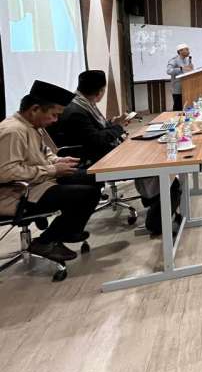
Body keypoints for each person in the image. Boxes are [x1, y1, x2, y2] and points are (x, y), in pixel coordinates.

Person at [51, 71, 180, 236]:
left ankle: (154, 205)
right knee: (154, 164)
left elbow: (95, 130)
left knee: (149, 154)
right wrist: (118, 128)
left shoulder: (81, 103)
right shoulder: (77, 111)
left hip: (98, 153)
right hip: (95, 160)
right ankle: (158, 220)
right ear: (100, 92)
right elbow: (97, 139)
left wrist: (115, 122)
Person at [0, 81, 101, 263]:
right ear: (35, 109)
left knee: (93, 177)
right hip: (18, 194)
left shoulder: (33, 126)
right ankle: (46, 241)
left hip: (38, 182)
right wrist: (52, 169)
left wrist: (58, 161)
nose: (55, 120)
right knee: (86, 195)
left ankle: (68, 230)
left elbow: (44, 153)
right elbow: (7, 172)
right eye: (54, 115)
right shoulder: (13, 131)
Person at [166, 43, 193, 111]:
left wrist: (191, 69)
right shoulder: (174, 60)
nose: (188, 51)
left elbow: (188, 71)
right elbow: (168, 71)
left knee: (186, 107)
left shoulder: (187, 60)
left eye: (188, 49)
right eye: (186, 50)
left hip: (187, 87)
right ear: (180, 51)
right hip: (177, 89)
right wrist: (181, 69)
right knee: (178, 107)